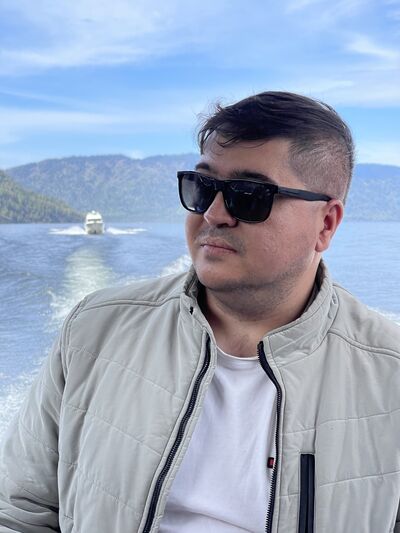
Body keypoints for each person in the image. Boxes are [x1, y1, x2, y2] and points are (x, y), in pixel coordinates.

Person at [0, 91, 399, 533]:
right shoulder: (92, 332)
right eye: (203, 187)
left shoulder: (390, 377)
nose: (213, 213)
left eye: (249, 195)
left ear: (326, 224)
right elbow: (20, 512)